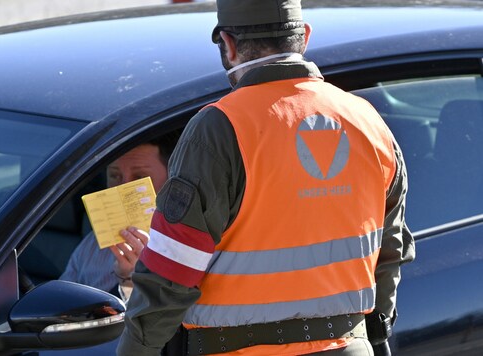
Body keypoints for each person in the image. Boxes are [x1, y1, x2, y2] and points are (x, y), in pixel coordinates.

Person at [117, 1, 415, 355]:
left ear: (227, 45)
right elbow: (390, 249)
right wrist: (375, 333)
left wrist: (136, 349)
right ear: (303, 37)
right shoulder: (367, 120)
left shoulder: (218, 128)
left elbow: (172, 270)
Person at [59, 131, 180, 301]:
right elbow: (60, 305)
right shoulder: (92, 245)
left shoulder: (184, 249)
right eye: (115, 176)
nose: (122, 188)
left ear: (171, 181)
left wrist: (129, 280)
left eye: (139, 178)